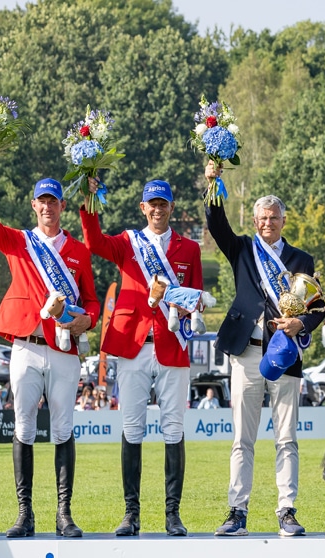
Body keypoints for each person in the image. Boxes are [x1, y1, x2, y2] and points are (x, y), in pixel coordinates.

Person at [0, 158, 100, 539]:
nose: (47, 207)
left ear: (61, 206)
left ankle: (64, 514)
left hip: (63, 349)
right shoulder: (19, 241)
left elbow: (91, 302)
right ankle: (24, 514)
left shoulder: (78, 251)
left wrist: (86, 321)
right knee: (24, 425)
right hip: (26, 343)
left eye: (53, 201)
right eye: (41, 201)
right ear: (33, 205)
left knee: (62, 427)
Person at [203, 162, 325, 537]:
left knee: (286, 437)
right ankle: (237, 510)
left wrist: (301, 323)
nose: (267, 223)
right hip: (246, 353)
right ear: (255, 220)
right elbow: (216, 222)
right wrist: (213, 184)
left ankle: (286, 509)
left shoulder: (301, 260)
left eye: (273, 218)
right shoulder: (241, 249)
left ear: (283, 220)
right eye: (261, 218)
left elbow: (319, 306)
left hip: (284, 353)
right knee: (243, 438)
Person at [81, 177, 203, 536]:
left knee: (174, 429)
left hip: (171, 344)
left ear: (171, 208)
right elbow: (92, 241)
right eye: (152, 204)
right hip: (133, 344)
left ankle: (172, 515)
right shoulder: (127, 243)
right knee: (132, 428)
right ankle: (130, 514)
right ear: (143, 208)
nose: (158, 209)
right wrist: (91, 200)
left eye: (163, 204)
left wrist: (185, 308)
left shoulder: (190, 249)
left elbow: (196, 296)